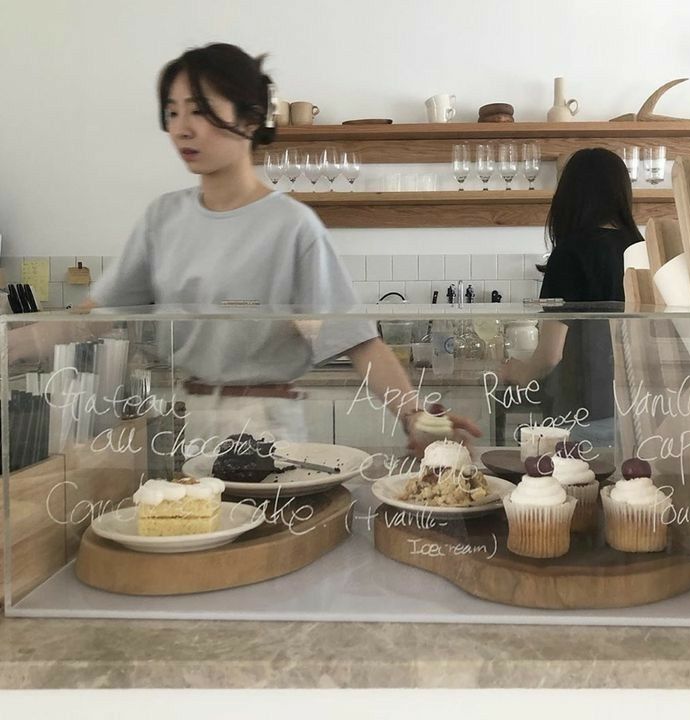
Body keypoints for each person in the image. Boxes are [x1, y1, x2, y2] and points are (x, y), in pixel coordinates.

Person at [10, 42, 479, 452]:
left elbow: (356, 340)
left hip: (268, 423)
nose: (182, 128)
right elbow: (92, 315)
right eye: (172, 112)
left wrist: (416, 416)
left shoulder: (292, 225)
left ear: (251, 119)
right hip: (189, 419)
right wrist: (14, 343)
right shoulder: (162, 218)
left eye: (199, 110)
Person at [498, 148, 644, 445]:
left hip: (582, 414)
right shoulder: (642, 249)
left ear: (568, 197)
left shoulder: (569, 254)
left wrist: (519, 371)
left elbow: (550, 355)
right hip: (641, 410)